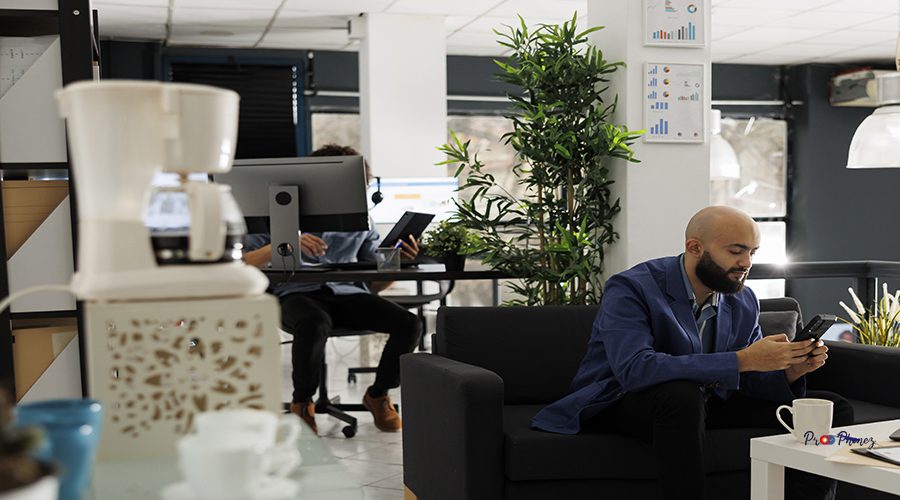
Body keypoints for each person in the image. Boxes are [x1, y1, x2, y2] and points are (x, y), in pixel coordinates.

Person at [532, 206, 853, 500]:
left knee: (831, 407)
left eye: (752, 252)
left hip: (705, 402)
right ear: (695, 248)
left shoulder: (742, 299)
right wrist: (744, 359)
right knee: (681, 396)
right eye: (736, 251)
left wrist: (789, 370)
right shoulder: (631, 288)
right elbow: (635, 369)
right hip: (622, 400)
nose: (746, 263)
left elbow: (746, 378)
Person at [243, 144, 421, 434]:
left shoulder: (362, 222)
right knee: (314, 322)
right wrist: (287, 241)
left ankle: (377, 395)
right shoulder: (274, 213)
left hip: (347, 295)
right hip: (294, 296)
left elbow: (375, 284)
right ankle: (302, 403)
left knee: (409, 323)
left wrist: (396, 262)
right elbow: (246, 262)